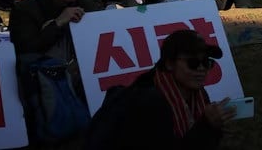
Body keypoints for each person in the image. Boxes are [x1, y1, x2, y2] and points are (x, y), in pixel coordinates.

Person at [87, 30, 235, 149]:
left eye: (206, 62)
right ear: (170, 64)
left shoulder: (198, 93)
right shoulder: (150, 102)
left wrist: (214, 129)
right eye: (193, 63)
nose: (202, 69)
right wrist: (207, 125)